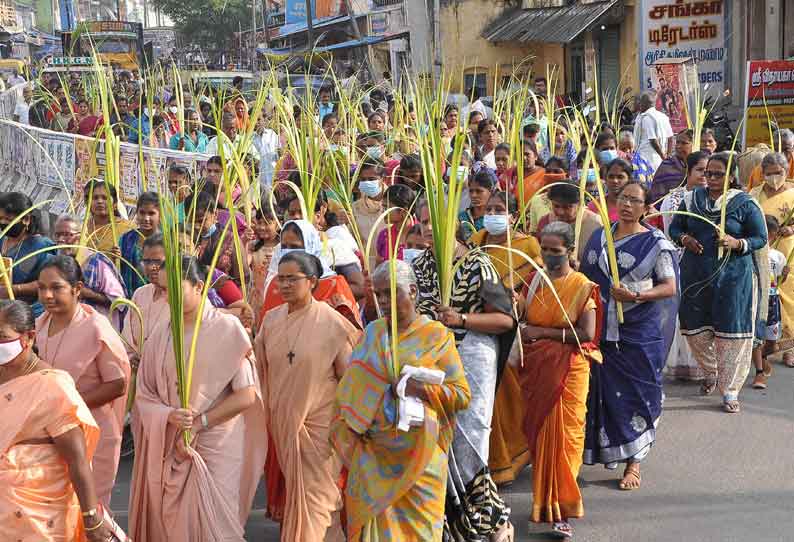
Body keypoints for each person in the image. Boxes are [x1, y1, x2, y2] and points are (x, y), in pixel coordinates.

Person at [331, 260, 471, 540]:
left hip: (421, 458)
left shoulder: (435, 335)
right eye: (379, 294)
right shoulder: (372, 334)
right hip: (374, 456)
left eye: (392, 293)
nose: (384, 301)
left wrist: (419, 389)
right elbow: (350, 389)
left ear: (414, 291)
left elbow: (461, 395)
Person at [129, 256, 265, 541]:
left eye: (175, 290)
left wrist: (200, 422)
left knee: (216, 525)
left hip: (217, 444)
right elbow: (144, 394)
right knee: (175, 523)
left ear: (199, 286)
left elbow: (246, 395)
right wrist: (168, 415)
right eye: (163, 290)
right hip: (173, 442)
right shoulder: (160, 335)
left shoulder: (227, 329)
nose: (167, 298)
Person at [412, 201, 516, 541]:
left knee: (469, 443)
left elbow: (504, 320)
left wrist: (461, 319)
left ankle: (493, 522)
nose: (428, 228)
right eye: (423, 222)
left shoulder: (478, 263)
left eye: (434, 222)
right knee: (434, 442)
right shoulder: (421, 264)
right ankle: (445, 525)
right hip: (431, 359)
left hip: (472, 353)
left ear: (453, 225)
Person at [254, 251, 361, 540]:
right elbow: (261, 371)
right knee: (302, 500)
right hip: (284, 427)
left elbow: (349, 380)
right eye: (281, 278)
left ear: (312, 281)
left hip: (320, 432)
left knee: (319, 503)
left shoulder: (332, 323)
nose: (284, 285)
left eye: (292, 279)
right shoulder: (271, 321)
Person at [580, 181, 678, 489]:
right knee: (599, 394)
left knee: (639, 395)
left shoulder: (655, 243)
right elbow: (586, 277)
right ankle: (598, 452)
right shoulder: (600, 236)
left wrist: (634, 294)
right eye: (623, 198)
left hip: (638, 333)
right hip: (600, 333)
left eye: (635, 201)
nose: (627, 205)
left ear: (646, 208)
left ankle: (634, 463)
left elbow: (669, 286)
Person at [510, 222, 600, 538]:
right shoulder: (533, 280)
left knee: (565, 440)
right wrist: (513, 302)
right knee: (540, 438)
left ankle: (563, 511)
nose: (548, 256)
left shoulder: (580, 284)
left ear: (569, 251)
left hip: (568, 371)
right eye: (544, 249)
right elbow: (521, 315)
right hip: (536, 369)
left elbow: (587, 333)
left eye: (555, 250)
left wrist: (542, 333)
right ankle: (544, 505)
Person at [0, 299, 114, 542]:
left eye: (1, 336)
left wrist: (91, 517)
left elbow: (77, 458)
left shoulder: (52, 386)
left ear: (28, 338)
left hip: (39, 520)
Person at [669, 152, 768, 413]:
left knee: (731, 334)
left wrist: (737, 243)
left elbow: (760, 237)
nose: (709, 178)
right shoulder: (690, 200)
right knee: (694, 329)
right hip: (696, 277)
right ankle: (711, 371)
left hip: (734, 279)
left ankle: (730, 389)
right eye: (706, 173)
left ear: (732, 176)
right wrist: (684, 239)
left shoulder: (746, 204)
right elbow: (675, 228)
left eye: (717, 174)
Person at [35, 256, 131, 506]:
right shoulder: (40, 325)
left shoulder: (96, 328)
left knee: (91, 508)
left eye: (56, 288)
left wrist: (70, 407)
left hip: (94, 431)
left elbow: (117, 384)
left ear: (77, 289)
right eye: (41, 288)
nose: (47, 295)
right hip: (54, 431)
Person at [469, 190, 541, 486]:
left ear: (513, 216)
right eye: (490, 209)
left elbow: (533, 289)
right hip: (477, 326)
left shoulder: (526, 246)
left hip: (509, 329)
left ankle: (509, 458)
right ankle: (488, 462)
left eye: (500, 210)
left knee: (506, 399)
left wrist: (516, 302)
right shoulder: (475, 243)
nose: (494, 214)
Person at [748, 151, 794, 368]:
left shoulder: (793, 193)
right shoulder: (754, 193)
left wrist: (791, 228)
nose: (774, 177)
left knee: (789, 299)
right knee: (765, 297)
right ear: (762, 173)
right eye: (769, 173)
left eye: (779, 172)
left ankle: (789, 349)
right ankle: (763, 344)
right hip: (762, 252)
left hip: (788, 251)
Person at [52, 215, 126, 327]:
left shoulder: (97, 262)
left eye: (67, 235)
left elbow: (119, 302)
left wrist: (86, 293)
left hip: (97, 328)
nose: (61, 240)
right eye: (58, 235)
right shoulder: (56, 262)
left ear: (81, 236)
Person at [0, 192, 55, 317]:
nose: (3, 223)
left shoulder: (41, 246)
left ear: (26, 219)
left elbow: (50, 282)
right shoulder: (2, 239)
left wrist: (14, 289)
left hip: (27, 313)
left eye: (8, 220)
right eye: (0, 219)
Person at [121, 234, 169, 371]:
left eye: (158, 262)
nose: (152, 267)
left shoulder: (180, 298)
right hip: (138, 373)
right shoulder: (140, 294)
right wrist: (132, 357)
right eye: (147, 261)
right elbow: (127, 335)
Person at [751, 216, 787, 389]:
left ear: (774, 235)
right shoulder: (752, 251)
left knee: (772, 342)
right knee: (756, 336)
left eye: (769, 234)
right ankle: (759, 372)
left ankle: (763, 357)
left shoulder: (778, 256)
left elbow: (780, 278)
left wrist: (785, 273)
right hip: (757, 297)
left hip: (772, 300)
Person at [535, 181, 602, 262]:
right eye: (556, 206)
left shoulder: (596, 224)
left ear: (580, 203)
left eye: (567, 207)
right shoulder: (545, 222)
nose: (560, 212)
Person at [80, 179, 135, 261]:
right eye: (95, 198)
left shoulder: (127, 228)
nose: (99, 201)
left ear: (115, 204)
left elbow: (137, 257)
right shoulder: (82, 228)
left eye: (105, 198)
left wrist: (123, 256)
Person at [119, 191, 161, 297]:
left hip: (158, 299)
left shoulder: (166, 242)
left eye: (151, 213)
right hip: (130, 301)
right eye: (142, 213)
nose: (146, 218)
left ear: (160, 215)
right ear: (136, 213)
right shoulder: (126, 239)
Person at [352, 158, 386, 270]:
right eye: (363, 179)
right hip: (365, 267)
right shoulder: (355, 207)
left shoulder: (394, 203)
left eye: (371, 179)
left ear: (382, 179)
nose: (367, 182)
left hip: (390, 265)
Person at [649, 129, 694, 204]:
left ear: (694, 144)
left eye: (684, 143)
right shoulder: (667, 165)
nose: (678, 146)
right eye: (677, 142)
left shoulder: (700, 167)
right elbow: (656, 196)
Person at [633, 91, 672, 171]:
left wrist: (663, 156)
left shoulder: (647, 117)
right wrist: (668, 155)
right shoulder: (663, 116)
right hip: (660, 158)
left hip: (646, 157)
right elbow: (670, 138)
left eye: (641, 102)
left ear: (646, 103)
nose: (640, 105)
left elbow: (653, 140)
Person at [587, 158, 633, 222]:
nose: (615, 181)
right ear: (605, 179)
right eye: (611, 177)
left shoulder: (636, 207)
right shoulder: (594, 206)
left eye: (620, 177)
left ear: (629, 179)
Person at [459, 168, 496, 240]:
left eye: (479, 191)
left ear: (491, 192)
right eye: (471, 191)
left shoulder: (495, 218)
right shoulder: (462, 217)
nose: (473, 195)